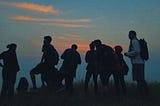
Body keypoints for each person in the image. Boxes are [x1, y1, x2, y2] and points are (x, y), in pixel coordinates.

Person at [124, 30, 149, 96]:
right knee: (140, 79)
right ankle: (144, 93)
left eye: (130, 34)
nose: (128, 35)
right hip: (139, 62)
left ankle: (143, 94)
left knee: (140, 79)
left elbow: (137, 51)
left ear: (133, 34)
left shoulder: (134, 41)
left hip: (137, 63)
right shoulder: (136, 41)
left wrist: (128, 53)